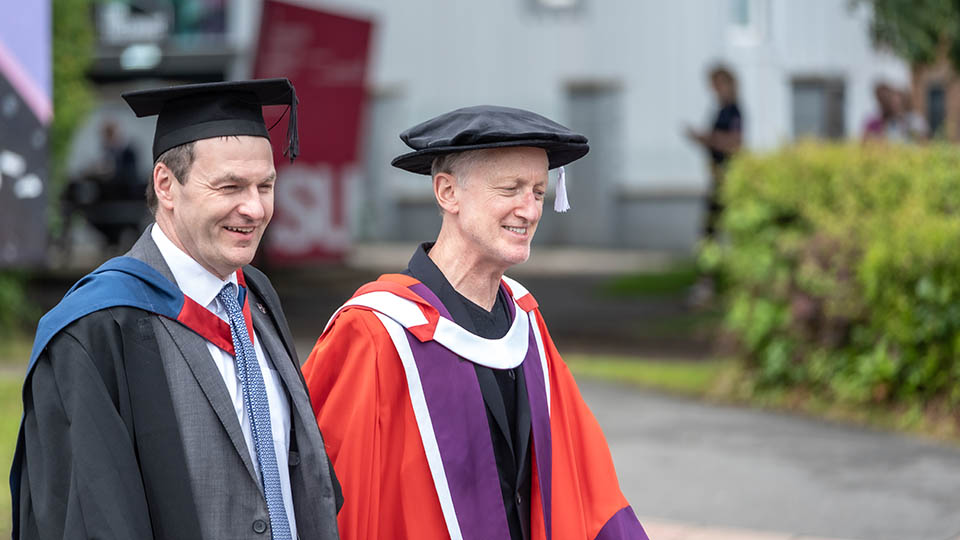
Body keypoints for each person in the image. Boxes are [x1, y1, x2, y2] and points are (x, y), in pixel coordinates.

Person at [11, 79, 341, 540]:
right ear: (166, 185)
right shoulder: (96, 328)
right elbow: (90, 517)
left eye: (265, 186)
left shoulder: (255, 298)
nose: (254, 208)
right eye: (229, 186)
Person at [302, 105, 648, 539]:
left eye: (539, 192)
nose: (529, 209)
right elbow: (335, 501)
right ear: (448, 193)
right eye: (510, 189)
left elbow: (585, 477)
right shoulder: (375, 332)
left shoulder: (524, 320)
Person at [684, 65, 743, 307]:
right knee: (711, 233)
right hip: (716, 177)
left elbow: (734, 142)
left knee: (717, 232)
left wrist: (706, 138)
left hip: (726, 179)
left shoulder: (733, 111)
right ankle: (710, 282)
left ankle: (715, 284)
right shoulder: (721, 110)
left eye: (717, 83)